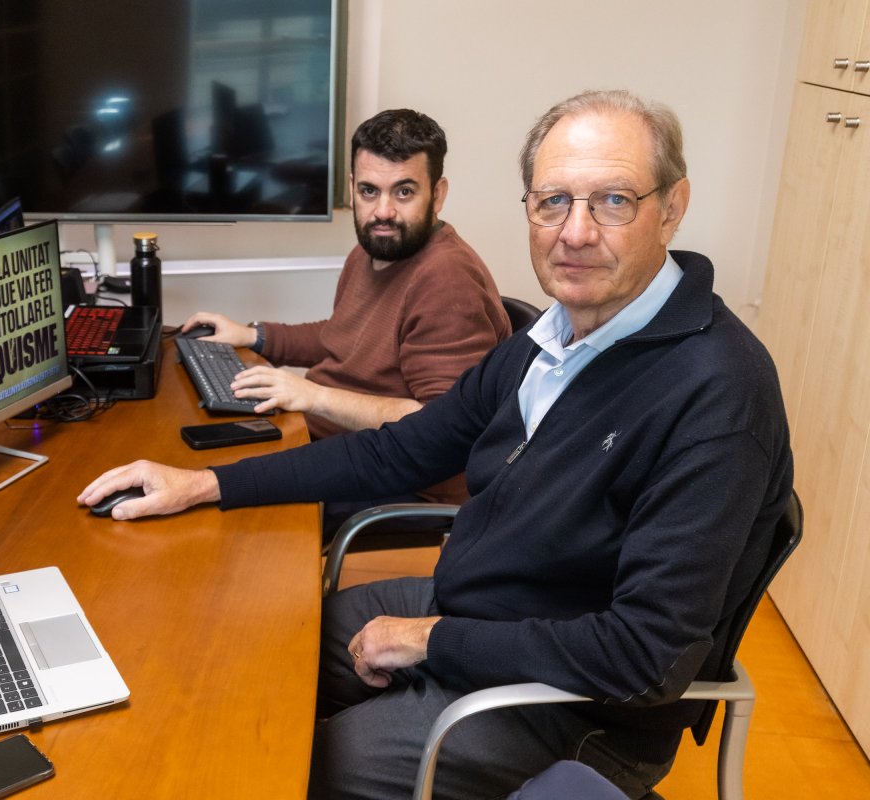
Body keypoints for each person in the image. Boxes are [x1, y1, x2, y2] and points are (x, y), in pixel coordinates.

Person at [78, 90, 793, 799]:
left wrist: (431, 640)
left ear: (672, 207)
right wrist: (205, 483)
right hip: (482, 610)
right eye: (552, 202)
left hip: (578, 707)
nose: (574, 232)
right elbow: (396, 452)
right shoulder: (549, 343)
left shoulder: (718, 392)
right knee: (271, 653)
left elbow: (641, 656)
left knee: (293, 762)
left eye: (612, 200)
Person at [183, 109, 510, 512]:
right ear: (353, 187)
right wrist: (254, 335)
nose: (383, 211)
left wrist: (313, 396)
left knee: (216, 505)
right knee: (191, 453)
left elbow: (438, 428)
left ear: (438, 194)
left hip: (400, 477)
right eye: (370, 191)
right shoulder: (371, 249)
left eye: (404, 192)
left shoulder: (446, 280)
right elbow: (341, 337)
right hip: (328, 439)